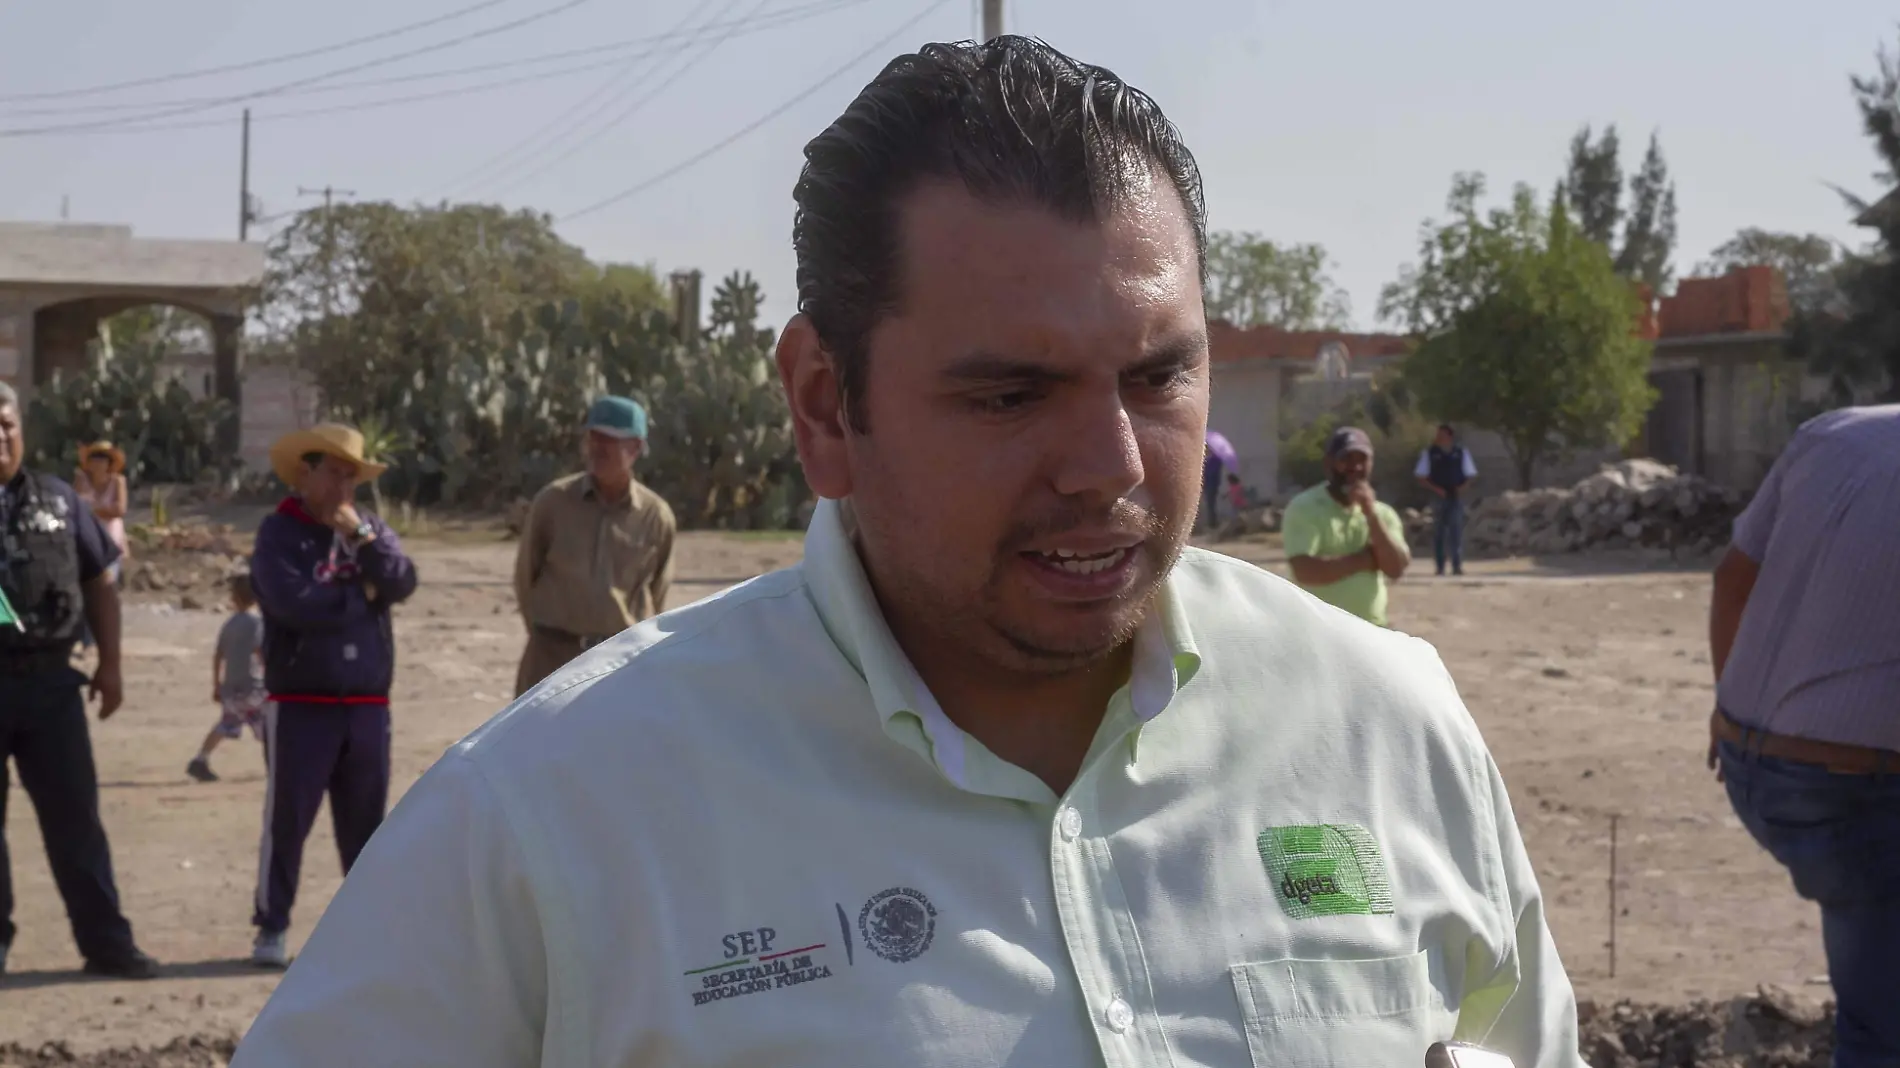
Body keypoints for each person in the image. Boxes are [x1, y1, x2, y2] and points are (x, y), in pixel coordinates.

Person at [232, 38, 1581, 1067]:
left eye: (1161, 378)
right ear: (825, 405)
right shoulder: (553, 820)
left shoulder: (1386, 726)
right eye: (1008, 395)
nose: (1111, 466)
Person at [1707, 404, 1900, 1068]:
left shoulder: (1834, 431)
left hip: (1748, 757)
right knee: (1882, 1030)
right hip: (1858, 787)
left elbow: (1732, 579)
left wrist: (1725, 705)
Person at [0, 384, 159, 979]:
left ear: (21, 428)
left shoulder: (60, 501)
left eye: (7, 424)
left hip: (51, 687)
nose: (0, 435)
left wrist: (111, 665)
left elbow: (100, 581)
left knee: (76, 822)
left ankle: (107, 944)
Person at [247, 423, 417, 969]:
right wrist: (362, 599)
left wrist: (365, 548)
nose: (344, 488)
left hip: (367, 704)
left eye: (352, 477)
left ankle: (369, 933)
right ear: (305, 473)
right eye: (334, 474)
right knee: (288, 821)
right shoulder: (279, 533)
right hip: (301, 703)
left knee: (366, 826)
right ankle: (271, 927)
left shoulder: (368, 529)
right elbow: (291, 601)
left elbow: (403, 579)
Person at [512, 395, 675, 696]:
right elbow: (525, 576)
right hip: (550, 660)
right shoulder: (553, 502)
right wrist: (545, 638)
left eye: (609, 439)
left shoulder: (655, 516)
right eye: (593, 437)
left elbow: (657, 593)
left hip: (619, 665)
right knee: (540, 743)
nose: (597, 448)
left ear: (636, 447)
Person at [1282, 426, 1411, 625]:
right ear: (1328, 464)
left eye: (1362, 460)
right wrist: (1366, 560)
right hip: (1319, 629)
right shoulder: (1305, 508)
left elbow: (1395, 568)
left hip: (1371, 628)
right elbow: (1305, 571)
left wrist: (1370, 514)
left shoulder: (1383, 514)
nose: (1355, 467)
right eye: (1346, 460)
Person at [186, 574, 267, 783]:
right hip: (253, 687)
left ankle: (201, 759)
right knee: (268, 727)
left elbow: (218, 655)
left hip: (231, 687)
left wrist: (216, 684)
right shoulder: (257, 623)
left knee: (227, 723)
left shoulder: (229, 624)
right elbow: (261, 653)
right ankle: (281, 765)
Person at [73, 441, 129, 649]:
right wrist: (100, 510)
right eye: (94, 458)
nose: (98, 463)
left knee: (106, 591)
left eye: (102, 458)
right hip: (86, 541)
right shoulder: (81, 480)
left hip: (110, 542)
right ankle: (86, 639)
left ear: (109, 463)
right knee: (84, 590)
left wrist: (90, 510)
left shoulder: (118, 482)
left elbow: (119, 509)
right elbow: (73, 505)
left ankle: (105, 639)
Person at [1415, 423, 1477, 576]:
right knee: (1439, 532)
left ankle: (1457, 565)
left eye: (1442, 434)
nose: (1438, 437)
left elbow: (1470, 474)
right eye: (1438, 434)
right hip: (1438, 496)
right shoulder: (1429, 453)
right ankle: (1440, 566)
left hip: (1455, 496)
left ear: (1450, 436)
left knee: (1456, 531)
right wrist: (1436, 489)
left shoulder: (1461, 452)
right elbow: (1421, 476)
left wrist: (1462, 488)